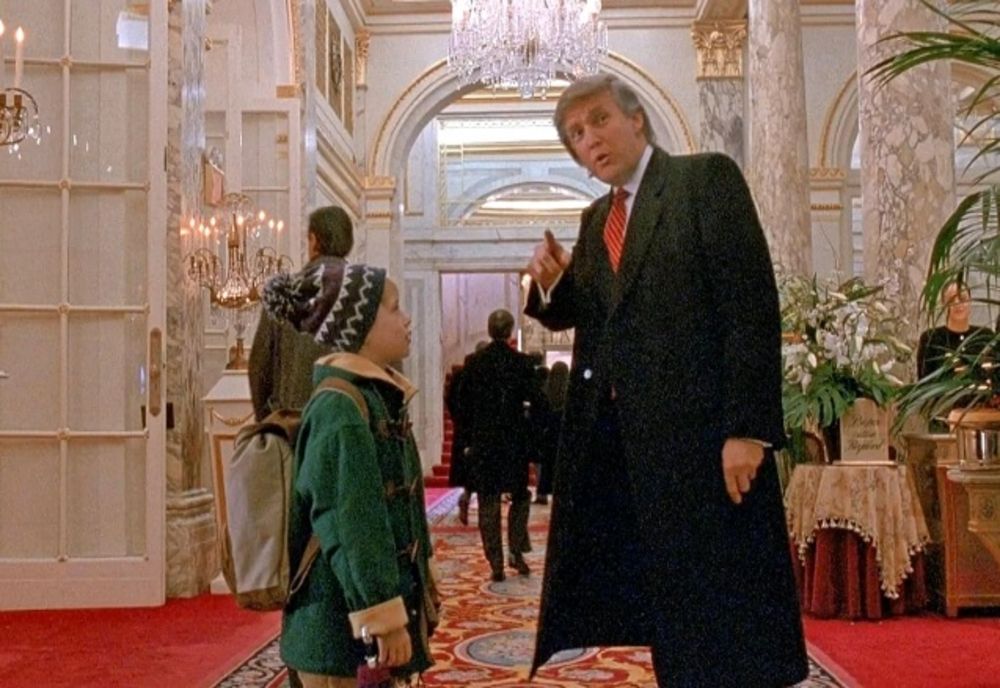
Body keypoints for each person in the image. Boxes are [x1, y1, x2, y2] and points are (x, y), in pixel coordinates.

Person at [524, 74, 808, 686]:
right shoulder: (596, 219)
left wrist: (747, 430)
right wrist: (553, 283)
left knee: (731, 611)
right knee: (672, 612)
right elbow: (599, 313)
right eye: (576, 133)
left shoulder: (703, 181)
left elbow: (749, 307)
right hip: (635, 454)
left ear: (637, 120)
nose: (590, 139)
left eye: (599, 119)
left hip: (710, 446)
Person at [262, 261, 440, 688]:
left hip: (354, 632)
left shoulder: (372, 397)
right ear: (359, 326)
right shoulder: (340, 407)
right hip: (337, 635)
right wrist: (382, 617)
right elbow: (352, 524)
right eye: (394, 308)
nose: (407, 319)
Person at [249, 205, 354, 422]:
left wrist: (268, 420)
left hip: (293, 423)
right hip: (349, 422)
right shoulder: (364, 291)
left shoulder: (282, 292)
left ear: (313, 240)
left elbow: (259, 367)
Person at [456, 309, 540, 582]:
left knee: (488, 501)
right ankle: (516, 550)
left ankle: (496, 563)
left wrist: (469, 436)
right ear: (511, 330)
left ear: (489, 329)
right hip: (514, 442)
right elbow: (537, 401)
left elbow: (460, 403)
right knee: (521, 496)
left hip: (484, 443)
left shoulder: (474, 362)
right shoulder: (522, 363)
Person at [445, 340, 489, 526]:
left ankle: (467, 496)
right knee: (483, 471)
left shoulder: (461, 374)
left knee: (469, 470)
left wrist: (458, 420)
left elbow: (450, 399)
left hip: (464, 430)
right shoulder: (486, 376)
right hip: (484, 429)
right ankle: (484, 512)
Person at [916, 281, 994, 379]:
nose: (957, 303)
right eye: (951, 299)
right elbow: (925, 379)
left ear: (970, 302)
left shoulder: (985, 336)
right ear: (943, 304)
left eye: (963, 298)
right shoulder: (931, 338)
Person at [534, 360, 569, 505]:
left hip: (548, 434)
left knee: (547, 465)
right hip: (563, 434)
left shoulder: (546, 391)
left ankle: (543, 493)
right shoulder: (570, 393)